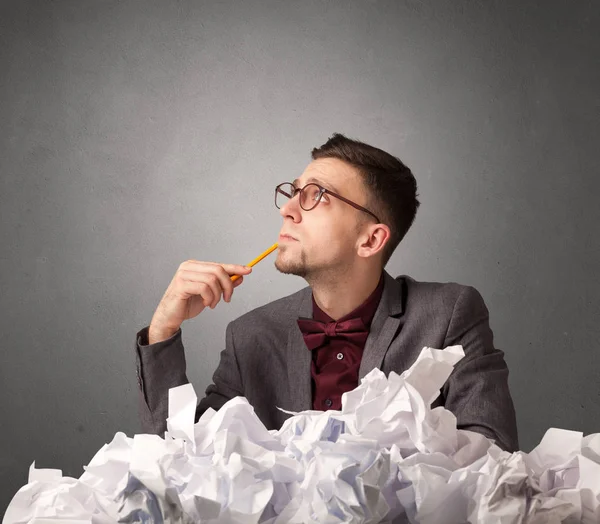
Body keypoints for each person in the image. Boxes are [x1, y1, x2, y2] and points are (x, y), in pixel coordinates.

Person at [135, 133, 519, 452]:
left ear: (370, 239)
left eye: (315, 195)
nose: (287, 209)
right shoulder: (249, 335)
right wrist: (162, 332)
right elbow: (185, 460)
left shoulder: (448, 314)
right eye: (294, 191)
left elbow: (491, 456)